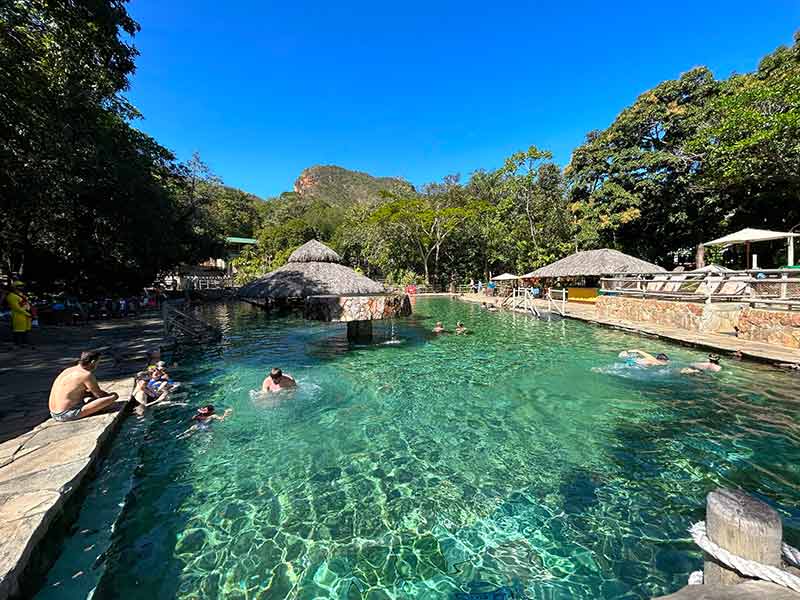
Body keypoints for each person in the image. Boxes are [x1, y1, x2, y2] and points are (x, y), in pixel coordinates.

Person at [48, 350, 119, 422]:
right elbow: (99, 395)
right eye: (98, 362)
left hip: (53, 413)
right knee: (112, 397)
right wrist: (108, 396)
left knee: (88, 396)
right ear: (93, 362)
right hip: (65, 415)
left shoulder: (68, 370)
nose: (98, 365)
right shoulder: (86, 375)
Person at [6, 280, 32, 346]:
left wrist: (29, 312)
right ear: (14, 287)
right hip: (18, 315)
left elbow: (27, 304)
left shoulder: (22, 295)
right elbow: (17, 308)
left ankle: (24, 342)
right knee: (18, 330)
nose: (21, 288)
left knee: (26, 330)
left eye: (22, 286)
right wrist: (27, 313)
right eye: (19, 286)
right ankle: (18, 343)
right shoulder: (11, 296)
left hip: (26, 315)